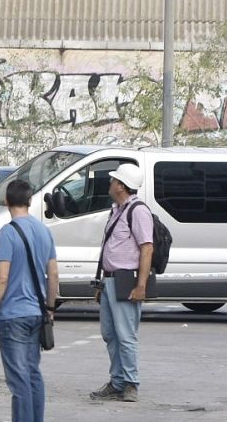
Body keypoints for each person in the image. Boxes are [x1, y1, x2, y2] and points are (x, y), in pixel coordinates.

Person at [0, 179, 59, 422]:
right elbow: (53, 275)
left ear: (6, 202)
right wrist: (50, 309)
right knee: (33, 373)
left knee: (19, 379)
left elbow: (1, 277)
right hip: (37, 314)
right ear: (30, 200)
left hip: (14, 316)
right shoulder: (45, 231)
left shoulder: (7, 233)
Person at [90, 163, 154, 403]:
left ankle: (130, 383)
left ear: (120, 185)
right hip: (109, 280)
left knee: (126, 335)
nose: (110, 184)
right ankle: (117, 382)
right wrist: (100, 284)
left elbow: (146, 248)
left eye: (113, 180)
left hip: (126, 280)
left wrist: (141, 286)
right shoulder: (116, 210)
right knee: (109, 333)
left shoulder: (137, 211)